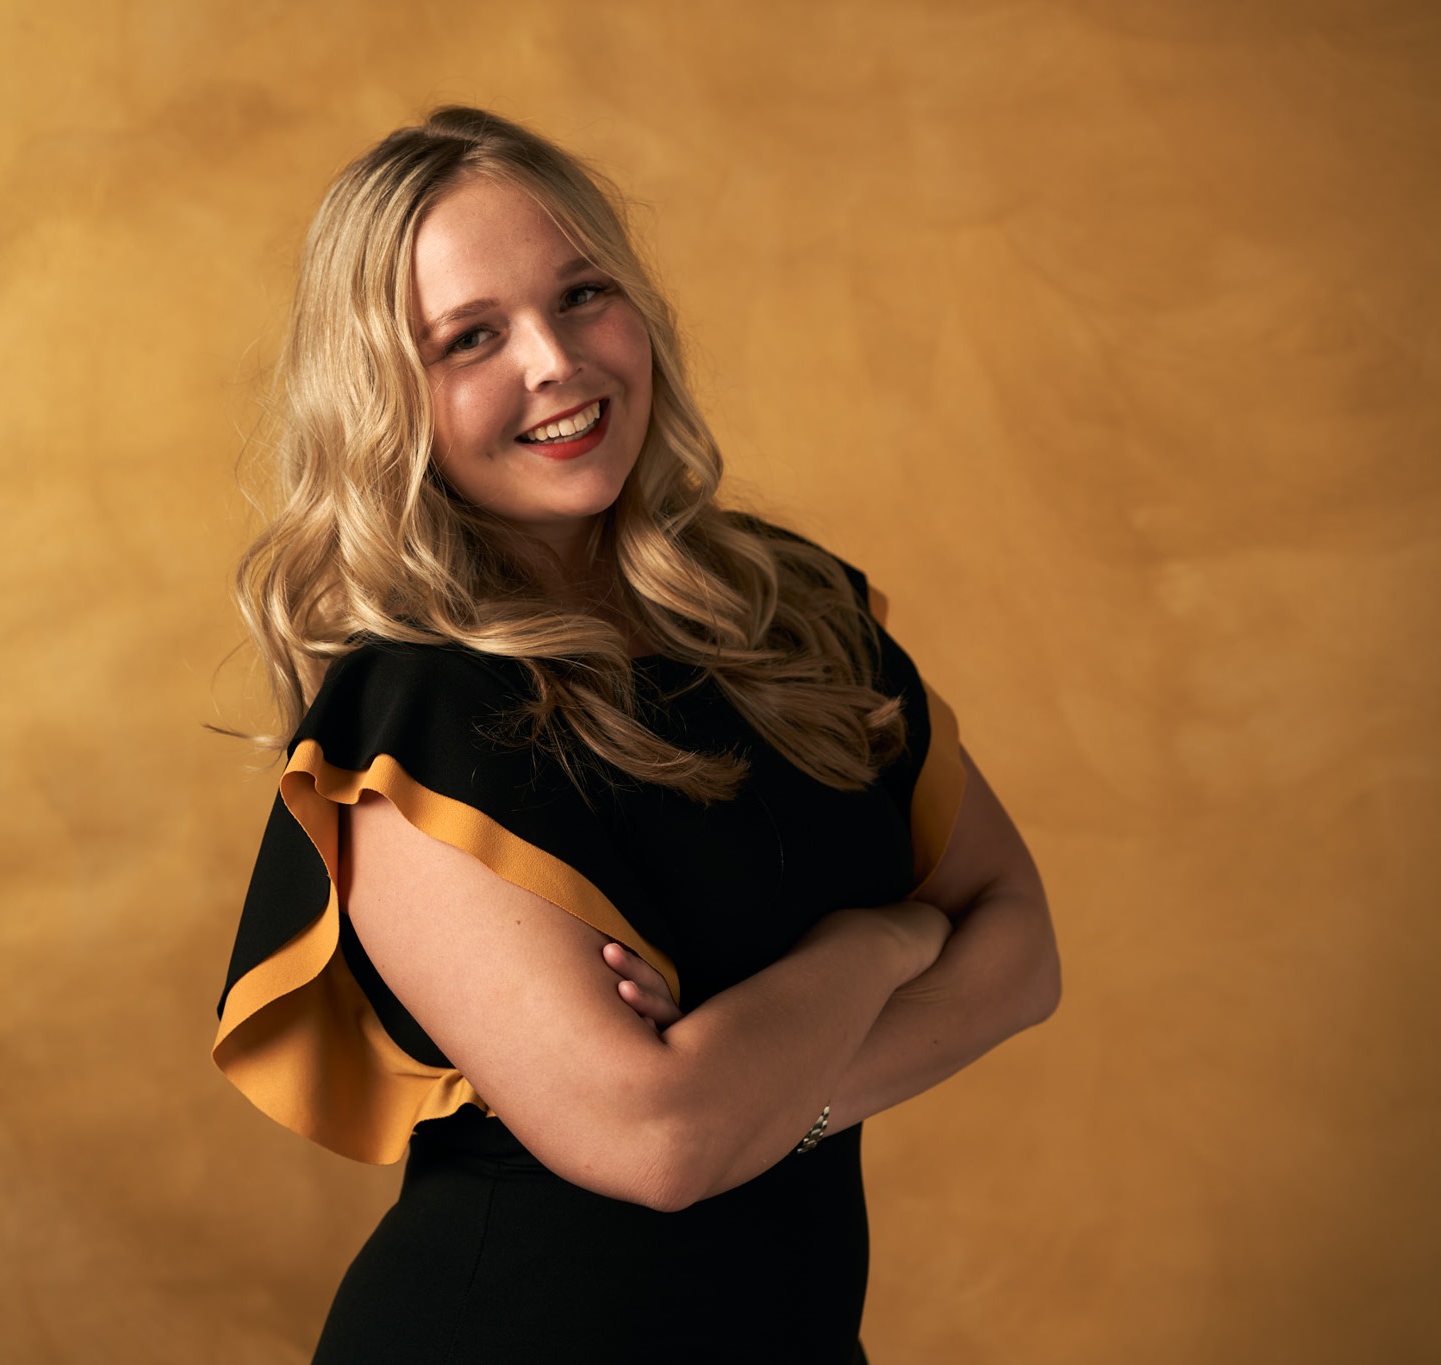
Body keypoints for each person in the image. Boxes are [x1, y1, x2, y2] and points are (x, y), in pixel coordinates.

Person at [213, 106, 1059, 1363]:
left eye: (582, 293)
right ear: (382, 394)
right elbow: (658, 1144)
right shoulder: (409, 716)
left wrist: (748, 1094)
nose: (554, 362)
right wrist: (881, 940)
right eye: (470, 337)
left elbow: (1020, 947)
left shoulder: (791, 608)